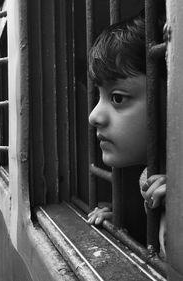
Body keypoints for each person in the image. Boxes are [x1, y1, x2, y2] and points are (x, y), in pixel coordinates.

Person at [85, 12, 167, 258]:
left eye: (118, 98)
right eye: (100, 96)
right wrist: (123, 222)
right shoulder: (149, 177)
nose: (93, 116)